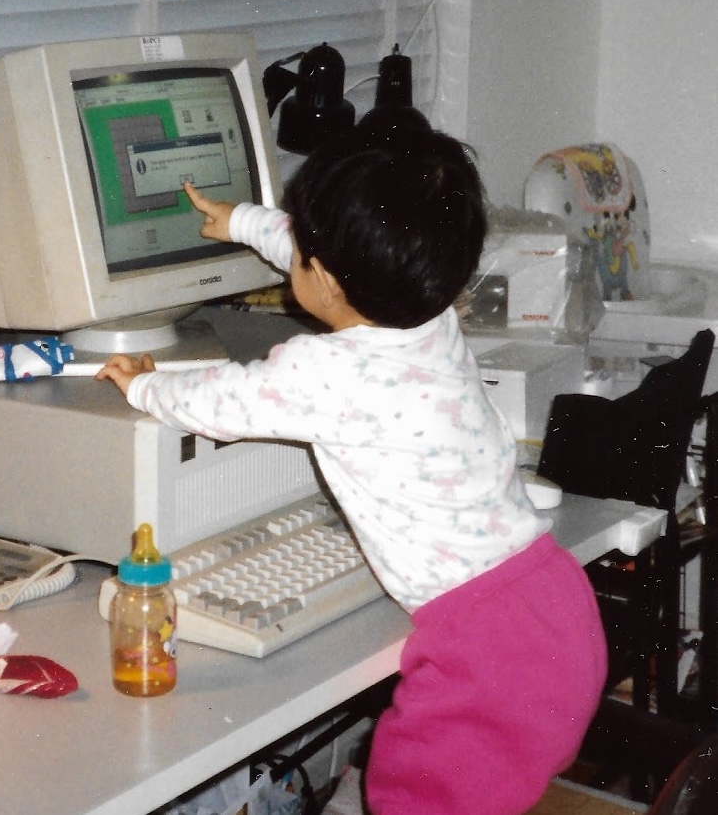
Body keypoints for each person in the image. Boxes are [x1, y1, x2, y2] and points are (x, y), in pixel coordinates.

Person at [96, 119, 607, 815]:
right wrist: (243, 223)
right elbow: (328, 256)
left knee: (410, 794)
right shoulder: (430, 315)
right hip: (552, 608)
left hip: (485, 654)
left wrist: (144, 385)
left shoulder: (327, 370)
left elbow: (222, 400)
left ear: (329, 278)